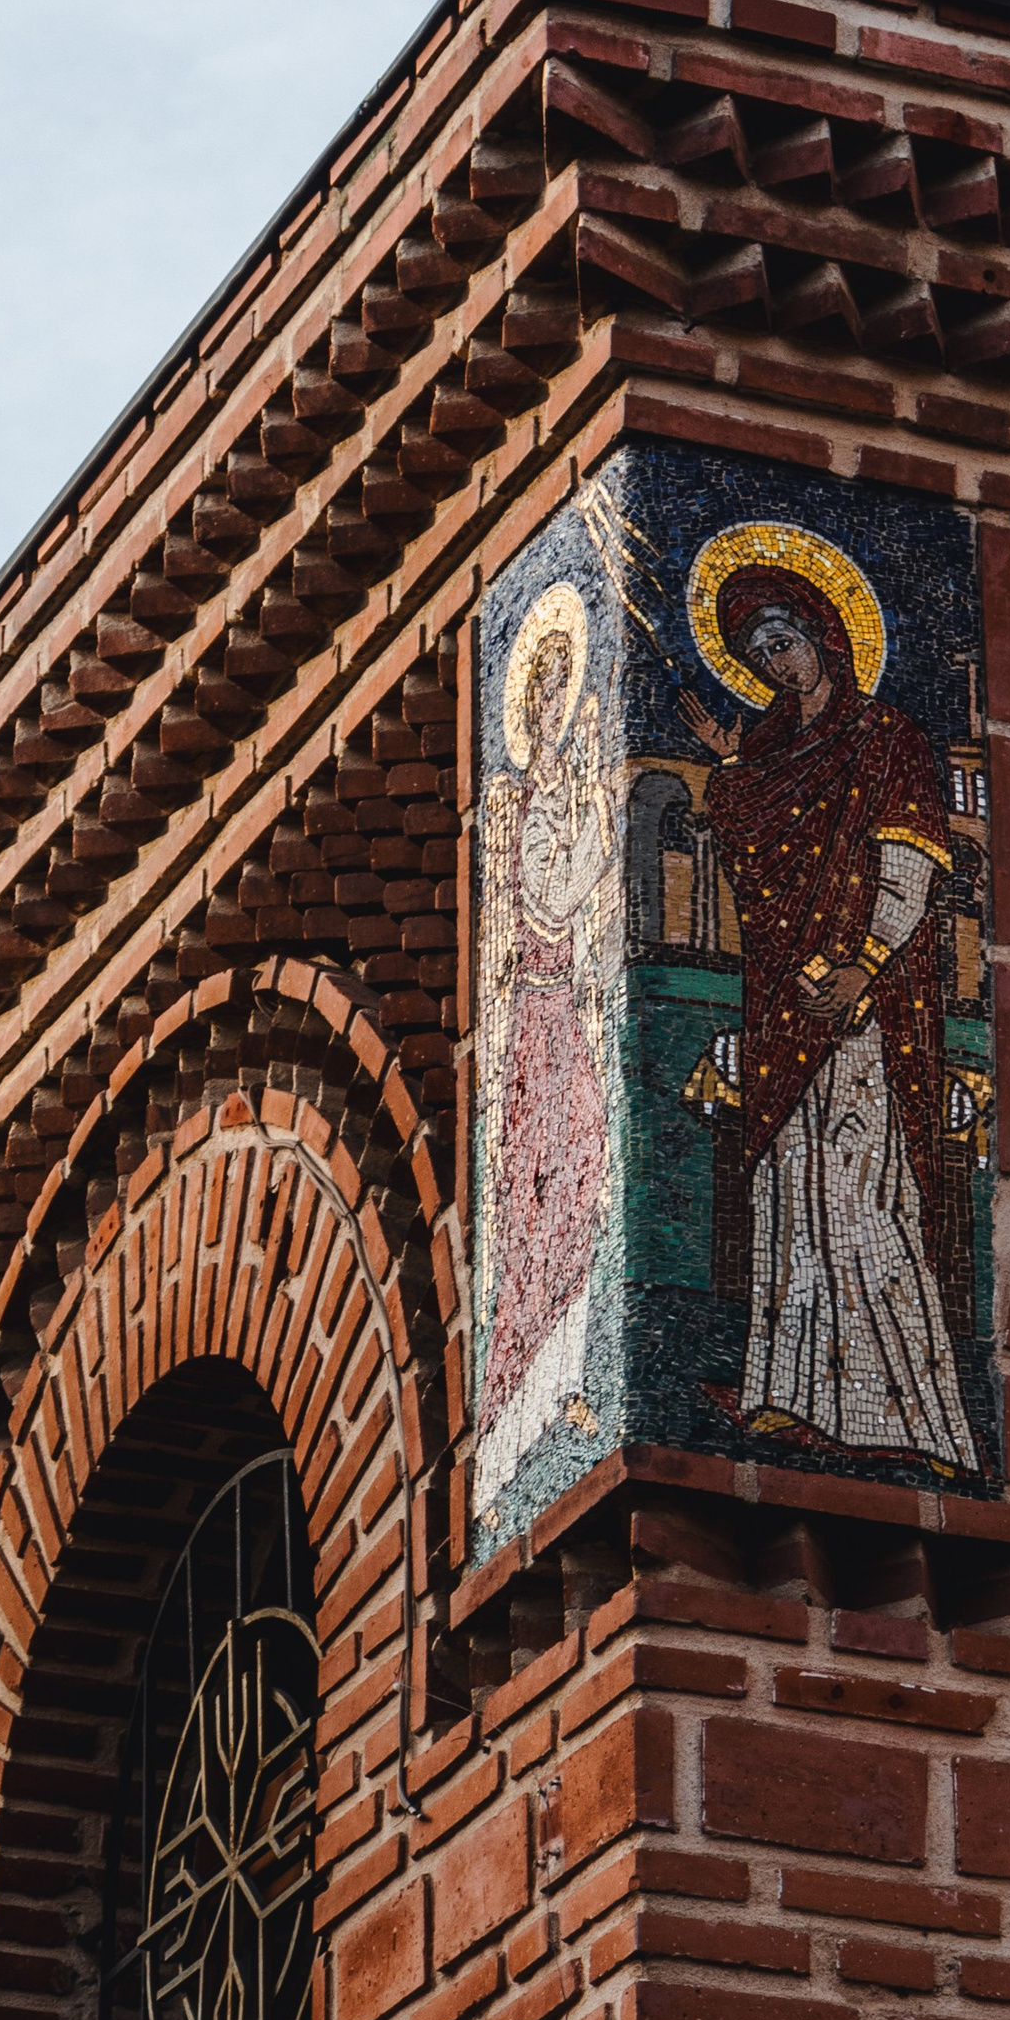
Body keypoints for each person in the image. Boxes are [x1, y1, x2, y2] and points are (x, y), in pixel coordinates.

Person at [680, 548, 976, 1473]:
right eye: (758, 654)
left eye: (784, 642)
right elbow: (754, 841)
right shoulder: (774, 753)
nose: (776, 664)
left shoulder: (888, 738)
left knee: (859, 1191)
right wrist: (735, 762)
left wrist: (866, 967)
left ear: (825, 636)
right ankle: (788, 1393)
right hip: (784, 998)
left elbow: (912, 865)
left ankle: (914, 1420)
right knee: (788, 1189)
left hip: (861, 1003)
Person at [479, 591, 615, 1499]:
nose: (556, 703)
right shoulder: (524, 804)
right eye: (545, 689)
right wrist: (597, 830)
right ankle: (523, 1403)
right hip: (536, 1020)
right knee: (538, 1199)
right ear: (528, 705)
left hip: (568, 1008)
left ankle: (567, 1380)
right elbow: (553, 897)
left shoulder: (571, 785)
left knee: (586, 1171)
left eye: (565, 687)